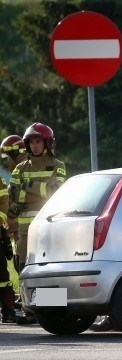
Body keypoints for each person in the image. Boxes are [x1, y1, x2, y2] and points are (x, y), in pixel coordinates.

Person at [10, 123, 66, 322]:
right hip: (25, 230)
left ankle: (53, 310)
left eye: (38, 141)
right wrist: (42, 187)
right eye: (31, 142)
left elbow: (56, 193)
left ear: (47, 143)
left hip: (49, 227)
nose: (34, 146)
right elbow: (14, 195)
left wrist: (28, 186)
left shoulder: (58, 166)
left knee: (49, 269)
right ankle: (30, 310)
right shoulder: (19, 168)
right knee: (24, 268)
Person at [0, 135, 26, 323]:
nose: (4, 161)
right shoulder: (17, 171)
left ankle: (45, 306)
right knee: (21, 268)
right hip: (20, 233)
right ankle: (29, 304)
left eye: (6, 156)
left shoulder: (27, 169)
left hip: (35, 234)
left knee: (29, 270)